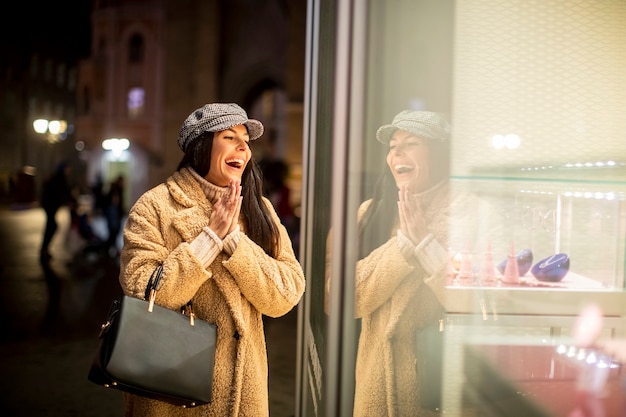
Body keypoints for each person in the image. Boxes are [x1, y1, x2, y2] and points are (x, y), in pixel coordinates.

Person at [118, 102, 306, 417]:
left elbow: (286, 295)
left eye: (246, 140)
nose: (243, 147)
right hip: (170, 394)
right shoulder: (154, 206)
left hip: (243, 394)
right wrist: (210, 239)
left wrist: (234, 241)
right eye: (230, 137)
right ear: (200, 147)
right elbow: (143, 294)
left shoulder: (259, 210)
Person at [350, 110, 482, 416]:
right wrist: (403, 247)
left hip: (441, 383)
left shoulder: (472, 213)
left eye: (411, 143)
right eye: (393, 144)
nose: (397, 151)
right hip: (375, 386)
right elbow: (350, 300)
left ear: (440, 153)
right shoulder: (371, 212)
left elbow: (476, 305)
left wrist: (425, 245)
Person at [39, 161, 73, 262]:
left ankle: (44, 249)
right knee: (51, 225)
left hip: (50, 205)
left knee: (51, 225)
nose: (69, 171)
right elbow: (61, 192)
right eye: (68, 169)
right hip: (50, 205)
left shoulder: (59, 178)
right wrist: (68, 202)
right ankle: (44, 249)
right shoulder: (59, 179)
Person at [104, 174, 125, 256]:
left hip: (115, 214)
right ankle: (108, 250)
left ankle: (111, 249)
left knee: (114, 233)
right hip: (114, 215)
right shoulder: (116, 190)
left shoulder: (116, 189)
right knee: (113, 232)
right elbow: (115, 202)